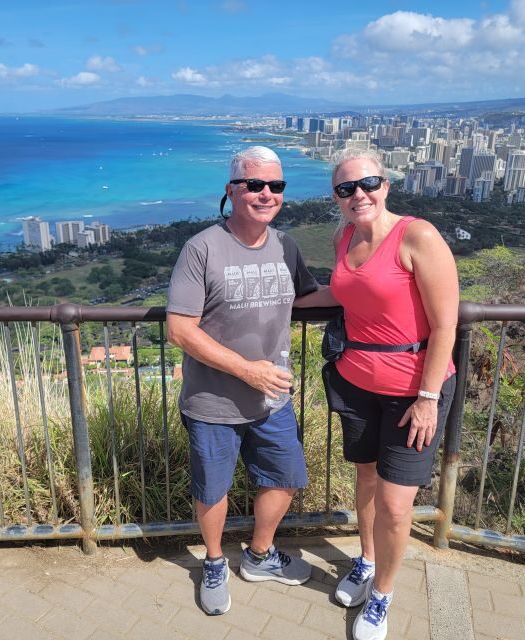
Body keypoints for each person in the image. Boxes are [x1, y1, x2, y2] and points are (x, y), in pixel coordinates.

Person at [294, 148, 459, 640]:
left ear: (386, 185)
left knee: (395, 502)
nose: (358, 195)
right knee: (366, 479)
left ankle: (382, 595)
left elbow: (445, 324)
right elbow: (342, 293)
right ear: (336, 198)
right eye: (346, 188)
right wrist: (280, 301)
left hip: (414, 393)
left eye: (367, 184)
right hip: (357, 382)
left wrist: (428, 397)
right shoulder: (343, 236)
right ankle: (365, 560)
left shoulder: (416, 235)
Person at [166, 146, 320, 616]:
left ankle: (259, 555)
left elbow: (313, 297)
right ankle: (214, 562)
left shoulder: (286, 246)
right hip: (213, 400)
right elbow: (179, 329)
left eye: (275, 185)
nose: (266, 193)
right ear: (232, 190)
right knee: (213, 489)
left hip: (272, 399)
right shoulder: (202, 248)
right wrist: (246, 369)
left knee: (286, 478)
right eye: (254, 184)